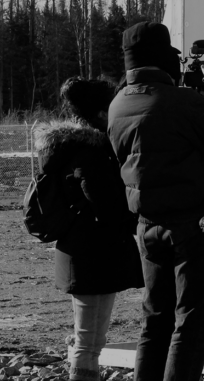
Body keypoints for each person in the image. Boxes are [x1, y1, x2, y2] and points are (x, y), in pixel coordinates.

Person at [108, 21, 204, 381]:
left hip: (148, 225)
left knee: (155, 322)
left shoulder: (118, 104)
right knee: (191, 326)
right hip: (195, 226)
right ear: (163, 59)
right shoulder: (182, 101)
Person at [33, 77, 144, 381]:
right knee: (89, 340)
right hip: (92, 253)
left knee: (91, 338)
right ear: (99, 112)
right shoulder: (90, 150)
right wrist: (132, 216)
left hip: (84, 251)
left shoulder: (71, 146)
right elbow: (104, 203)